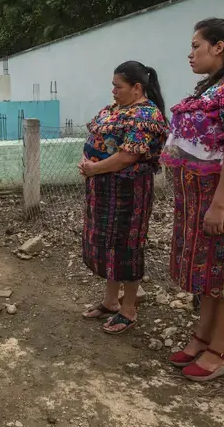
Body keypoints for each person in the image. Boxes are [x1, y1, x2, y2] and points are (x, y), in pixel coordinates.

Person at [160, 18, 224, 381]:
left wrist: (219, 203)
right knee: (209, 270)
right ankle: (202, 336)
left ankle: (221, 349)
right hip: (200, 197)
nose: (190, 53)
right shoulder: (211, 88)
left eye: (196, 45)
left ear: (219, 47)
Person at [79, 61, 169, 334]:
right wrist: (88, 161)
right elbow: (95, 137)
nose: (114, 91)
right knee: (106, 244)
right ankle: (110, 300)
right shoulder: (114, 110)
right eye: (113, 86)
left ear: (137, 87)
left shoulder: (147, 115)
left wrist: (94, 167)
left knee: (127, 245)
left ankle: (129, 308)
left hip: (129, 192)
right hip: (103, 190)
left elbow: (128, 155)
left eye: (118, 86)